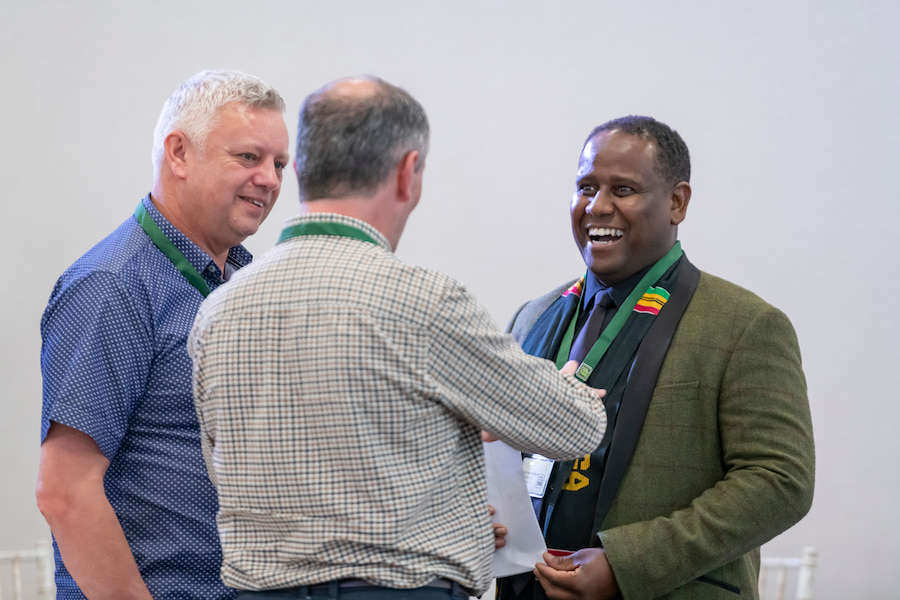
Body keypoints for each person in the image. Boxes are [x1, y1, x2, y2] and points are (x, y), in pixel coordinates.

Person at [188, 75, 608, 600]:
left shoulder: (217, 311)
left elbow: (223, 470)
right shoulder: (426, 303)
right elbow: (574, 428)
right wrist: (567, 392)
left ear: (300, 170)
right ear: (408, 173)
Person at [496, 116, 815, 600]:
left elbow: (780, 481)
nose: (597, 207)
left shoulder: (744, 324)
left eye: (622, 189)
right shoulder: (531, 317)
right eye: (586, 187)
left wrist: (627, 565)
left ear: (676, 202)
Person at [36, 70, 290, 599]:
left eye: (279, 163)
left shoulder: (242, 285)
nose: (270, 179)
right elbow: (65, 491)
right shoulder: (114, 287)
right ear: (178, 153)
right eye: (248, 158)